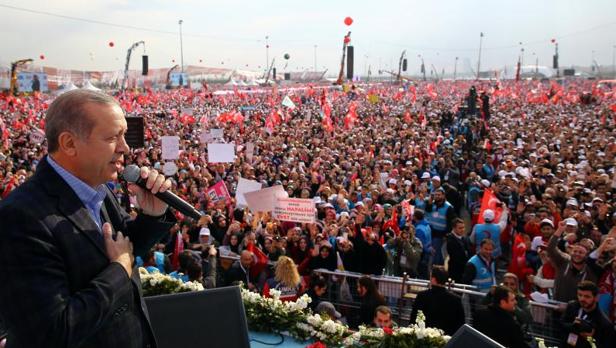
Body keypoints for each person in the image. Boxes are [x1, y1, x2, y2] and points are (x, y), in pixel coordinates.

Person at [0, 89, 176, 347]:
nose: (125, 148)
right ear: (69, 144)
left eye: (123, 136)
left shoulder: (98, 187)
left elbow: (122, 244)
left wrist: (152, 214)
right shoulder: (19, 218)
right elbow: (51, 333)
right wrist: (119, 271)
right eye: (112, 138)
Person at [548, 220, 600, 303]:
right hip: (556, 307)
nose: (577, 254)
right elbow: (551, 248)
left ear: (587, 255)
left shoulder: (591, 271)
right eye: (575, 251)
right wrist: (560, 230)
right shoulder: (564, 261)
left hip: (578, 311)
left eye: (581, 252)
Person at [410, 266, 465, 335]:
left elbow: (415, 319)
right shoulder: (456, 300)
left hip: (424, 338)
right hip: (447, 340)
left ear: (433, 279)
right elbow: (460, 324)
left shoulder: (422, 296)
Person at [560, 281, 616, 348]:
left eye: (587, 296)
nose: (582, 299)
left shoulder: (604, 324)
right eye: (580, 295)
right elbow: (561, 325)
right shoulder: (571, 307)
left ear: (596, 298)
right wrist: (573, 326)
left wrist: (590, 338)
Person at [424, 188, 456, 265]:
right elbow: (427, 211)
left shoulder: (449, 207)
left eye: (439, 195)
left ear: (443, 195)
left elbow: (450, 223)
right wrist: (429, 203)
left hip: (440, 235)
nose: (437, 196)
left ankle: (436, 269)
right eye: (435, 195)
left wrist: (446, 235)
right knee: (431, 251)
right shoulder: (433, 204)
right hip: (430, 233)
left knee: (436, 253)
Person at [445, 218, 473, 283]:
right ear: (454, 228)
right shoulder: (451, 241)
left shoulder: (464, 238)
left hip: (464, 269)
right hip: (456, 271)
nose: (462, 230)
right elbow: (457, 257)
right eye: (460, 228)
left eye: (463, 227)